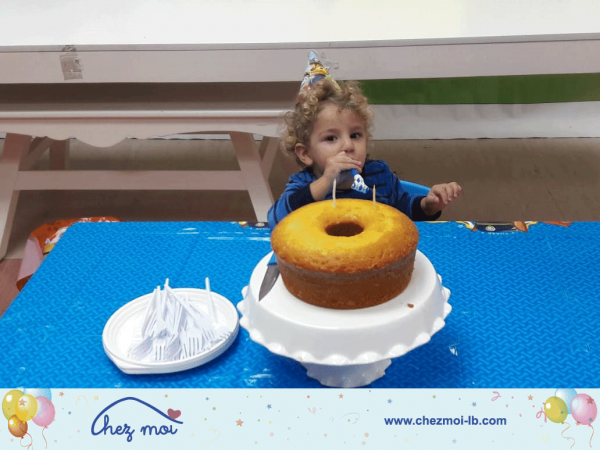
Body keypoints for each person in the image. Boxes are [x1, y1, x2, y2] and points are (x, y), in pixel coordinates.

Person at [267, 52, 462, 229]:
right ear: (305, 153)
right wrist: (325, 182)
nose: (348, 146)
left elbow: (405, 210)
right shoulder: (304, 184)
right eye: (331, 138)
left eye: (355, 135)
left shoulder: (379, 176)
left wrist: (428, 205)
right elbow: (276, 220)